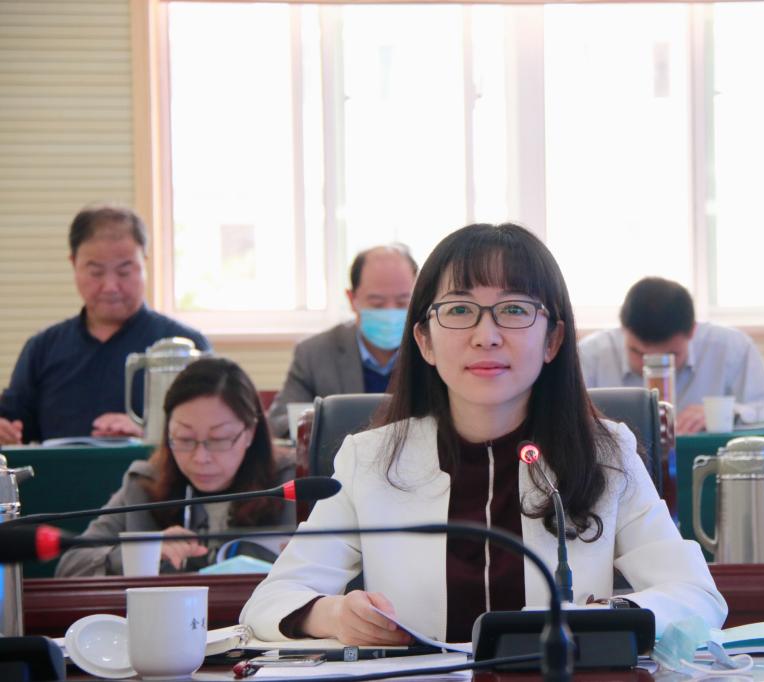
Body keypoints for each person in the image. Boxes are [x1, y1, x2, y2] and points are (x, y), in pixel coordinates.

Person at [241, 223, 726, 645]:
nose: (486, 335)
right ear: (425, 341)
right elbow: (272, 600)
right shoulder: (370, 460)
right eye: (459, 310)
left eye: (514, 310)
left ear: (553, 339)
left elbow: (696, 596)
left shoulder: (606, 453)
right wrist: (333, 615)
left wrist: (609, 616)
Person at [56, 357, 297, 576]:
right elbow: (70, 565)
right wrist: (143, 552)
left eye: (219, 439)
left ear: (250, 432)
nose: (200, 457)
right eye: (184, 439)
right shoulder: (146, 484)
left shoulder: (291, 484)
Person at [0, 204, 211, 445]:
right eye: (96, 272)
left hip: (155, 470)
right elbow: (13, 425)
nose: (110, 286)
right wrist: (6, 431)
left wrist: (149, 433)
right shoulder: (42, 348)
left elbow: (214, 433)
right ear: (74, 264)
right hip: (61, 471)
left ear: (145, 262)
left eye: (124, 272)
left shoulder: (185, 347)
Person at [578, 277, 764, 434]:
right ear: (623, 329)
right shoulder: (591, 354)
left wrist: (726, 414)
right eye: (638, 353)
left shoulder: (730, 348)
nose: (652, 368)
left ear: (692, 331)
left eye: (669, 356)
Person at [267, 245, 418, 438]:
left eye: (403, 302)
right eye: (377, 303)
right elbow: (280, 422)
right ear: (352, 299)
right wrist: (321, 427)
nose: (390, 312)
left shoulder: (434, 350)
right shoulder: (314, 353)